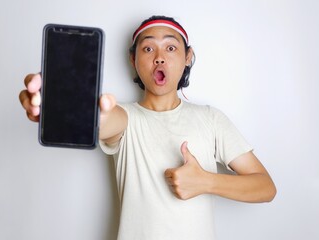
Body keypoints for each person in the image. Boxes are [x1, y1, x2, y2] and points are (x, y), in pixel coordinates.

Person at [19, 15, 276, 240]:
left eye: (171, 47)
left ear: (188, 57)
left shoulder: (211, 118)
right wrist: (65, 104)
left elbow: (265, 187)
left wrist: (205, 182)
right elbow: (104, 120)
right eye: (148, 49)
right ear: (133, 59)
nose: (160, 58)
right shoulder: (126, 117)